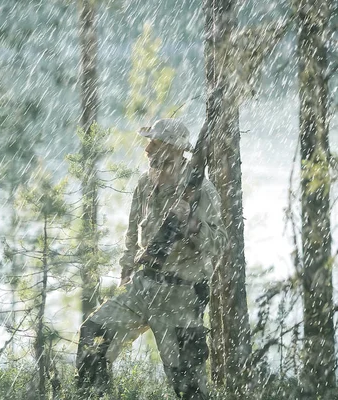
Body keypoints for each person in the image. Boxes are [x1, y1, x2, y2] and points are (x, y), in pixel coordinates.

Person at [75, 118, 228, 399]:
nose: (147, 149)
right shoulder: (145, 182)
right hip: (141, 286)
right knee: (93, 336)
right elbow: (132, 234)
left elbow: (220, 244)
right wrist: (126, 272)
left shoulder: (202, 191)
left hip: (180, 295)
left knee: (188, 385)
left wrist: (193, 225)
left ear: (173, 149)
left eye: (154, 143)